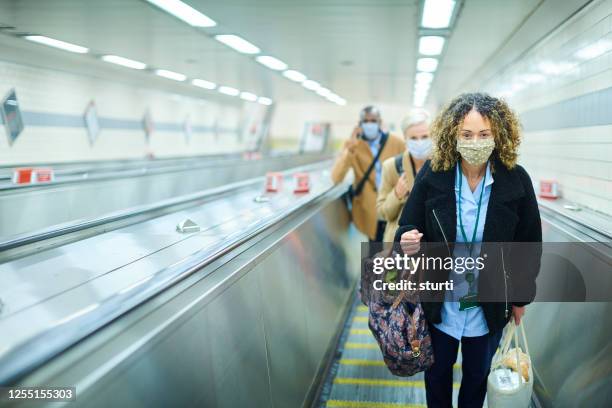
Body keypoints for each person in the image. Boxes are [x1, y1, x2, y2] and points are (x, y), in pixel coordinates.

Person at [394, 93, 542, 407]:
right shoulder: (434, 174)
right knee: (436, 375)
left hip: (488, 305)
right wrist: (407, 239)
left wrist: (519, 299)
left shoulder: (516, 181)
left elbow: (528, 245)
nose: (476, 141)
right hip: (440, 304)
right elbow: (407, 225)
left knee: (477, 378)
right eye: (467, 134)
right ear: (453, 135)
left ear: (498, 135)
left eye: (484, 134)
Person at [331, 106, 404, 243]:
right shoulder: (353, 145)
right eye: (366, 121)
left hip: (393, 206)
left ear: (379, 122)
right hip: (369, 210)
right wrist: (350, 148)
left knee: (395, 253)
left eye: (373, 121)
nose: (369, 124)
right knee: (374, 253)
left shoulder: (396, 143)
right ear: (360, 123)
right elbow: (336, 177)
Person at [377, 109, 432, 243]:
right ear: (405, 139)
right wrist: (396, 195)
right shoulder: (392, 167)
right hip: (399, 248)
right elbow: (382, 213)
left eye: (424, 137)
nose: (419, 142)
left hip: (432, 246)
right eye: (413, 138)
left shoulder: (444, 167)